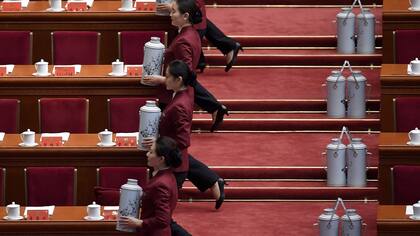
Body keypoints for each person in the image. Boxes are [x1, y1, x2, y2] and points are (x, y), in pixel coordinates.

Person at [143, 60, 226, 210]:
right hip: (178, 162)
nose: (165, 79)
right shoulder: (187, 91)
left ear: (179, 79)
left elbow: (182, 140)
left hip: (175, 168)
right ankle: (213, 180)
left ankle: (213, 180)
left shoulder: (178, 106)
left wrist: (158, 142)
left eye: (167, 77)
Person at [146, 0, 228, 132]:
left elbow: (185, 73)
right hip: (180, 93)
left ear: (185, 16)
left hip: (173, 94)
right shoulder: (192, 33)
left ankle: (215, 107)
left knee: (168, 140)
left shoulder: (182, 41)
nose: (171, 14)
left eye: (174, 11)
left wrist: (161, 80)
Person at [118, 136, 183, 236]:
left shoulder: (160, 184)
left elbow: (163, 220)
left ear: (161, 159)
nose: (147, 154)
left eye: (151, 152)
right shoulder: (168, 175)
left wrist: (139, 223)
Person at [157, 0, 243, 73]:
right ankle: (228, 46)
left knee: (187, 38)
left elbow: (195, 3)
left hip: (191, 14)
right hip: (187, 13)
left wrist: (174, 6)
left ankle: (228, 46)